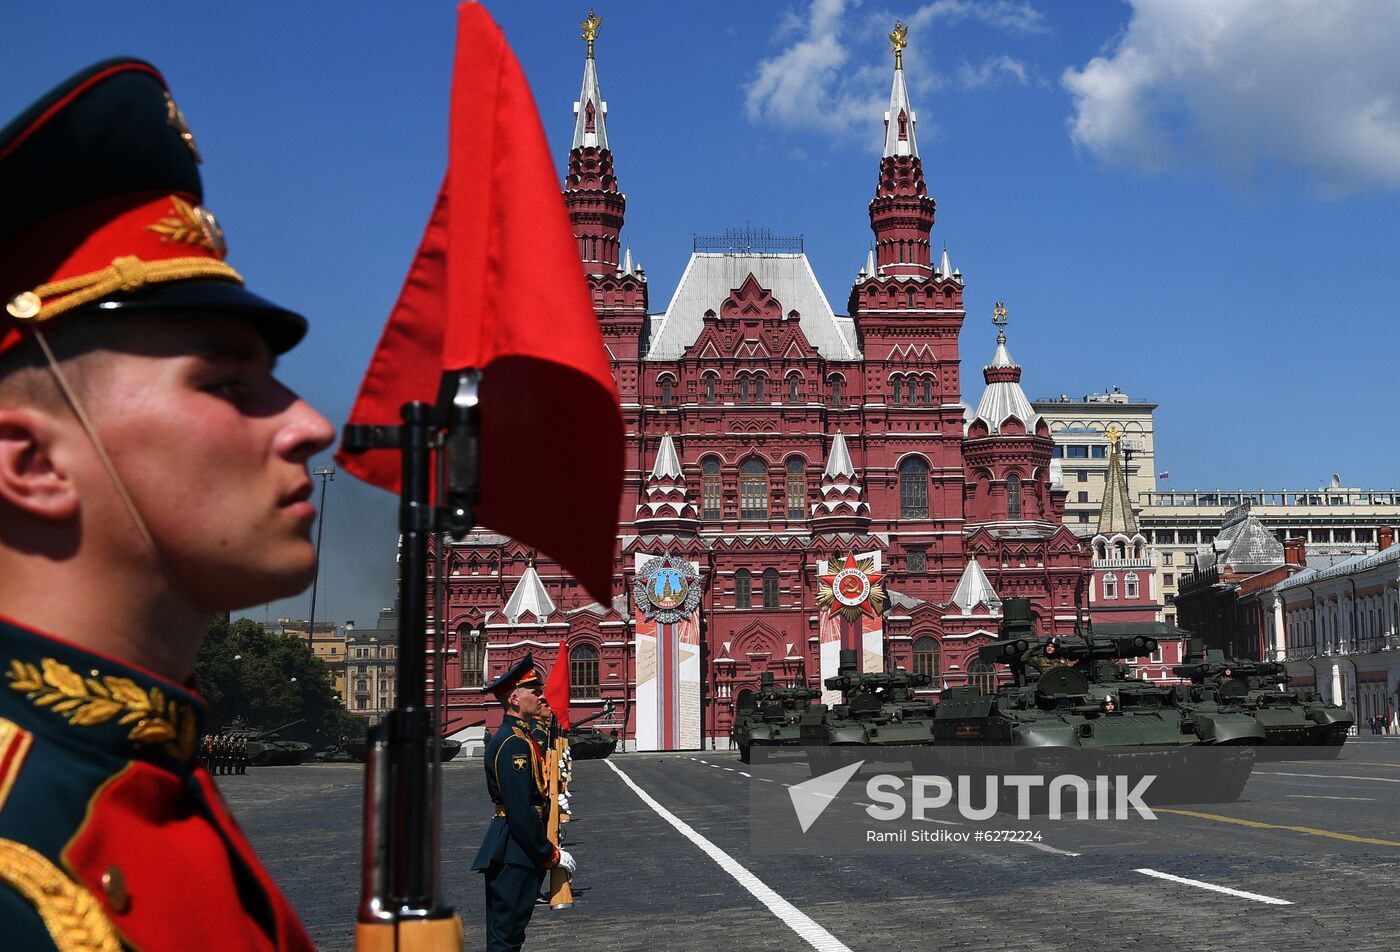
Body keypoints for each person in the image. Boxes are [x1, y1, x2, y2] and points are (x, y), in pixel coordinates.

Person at [0, 59, 328, 949]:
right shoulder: (24, 871)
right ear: (30, 461)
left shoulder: (148, 772)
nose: (310, 423)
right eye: (226, 382)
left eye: (279, 378)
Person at [472, 655, 576, 952]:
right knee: (507, 937)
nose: (541, 695)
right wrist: (549, 855)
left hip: (514, 848)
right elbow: (519, 810)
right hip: (514, 850)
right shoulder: (513, 744)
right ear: (515, 699)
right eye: (533, 690)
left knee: (509, 934)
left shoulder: (519, 737)